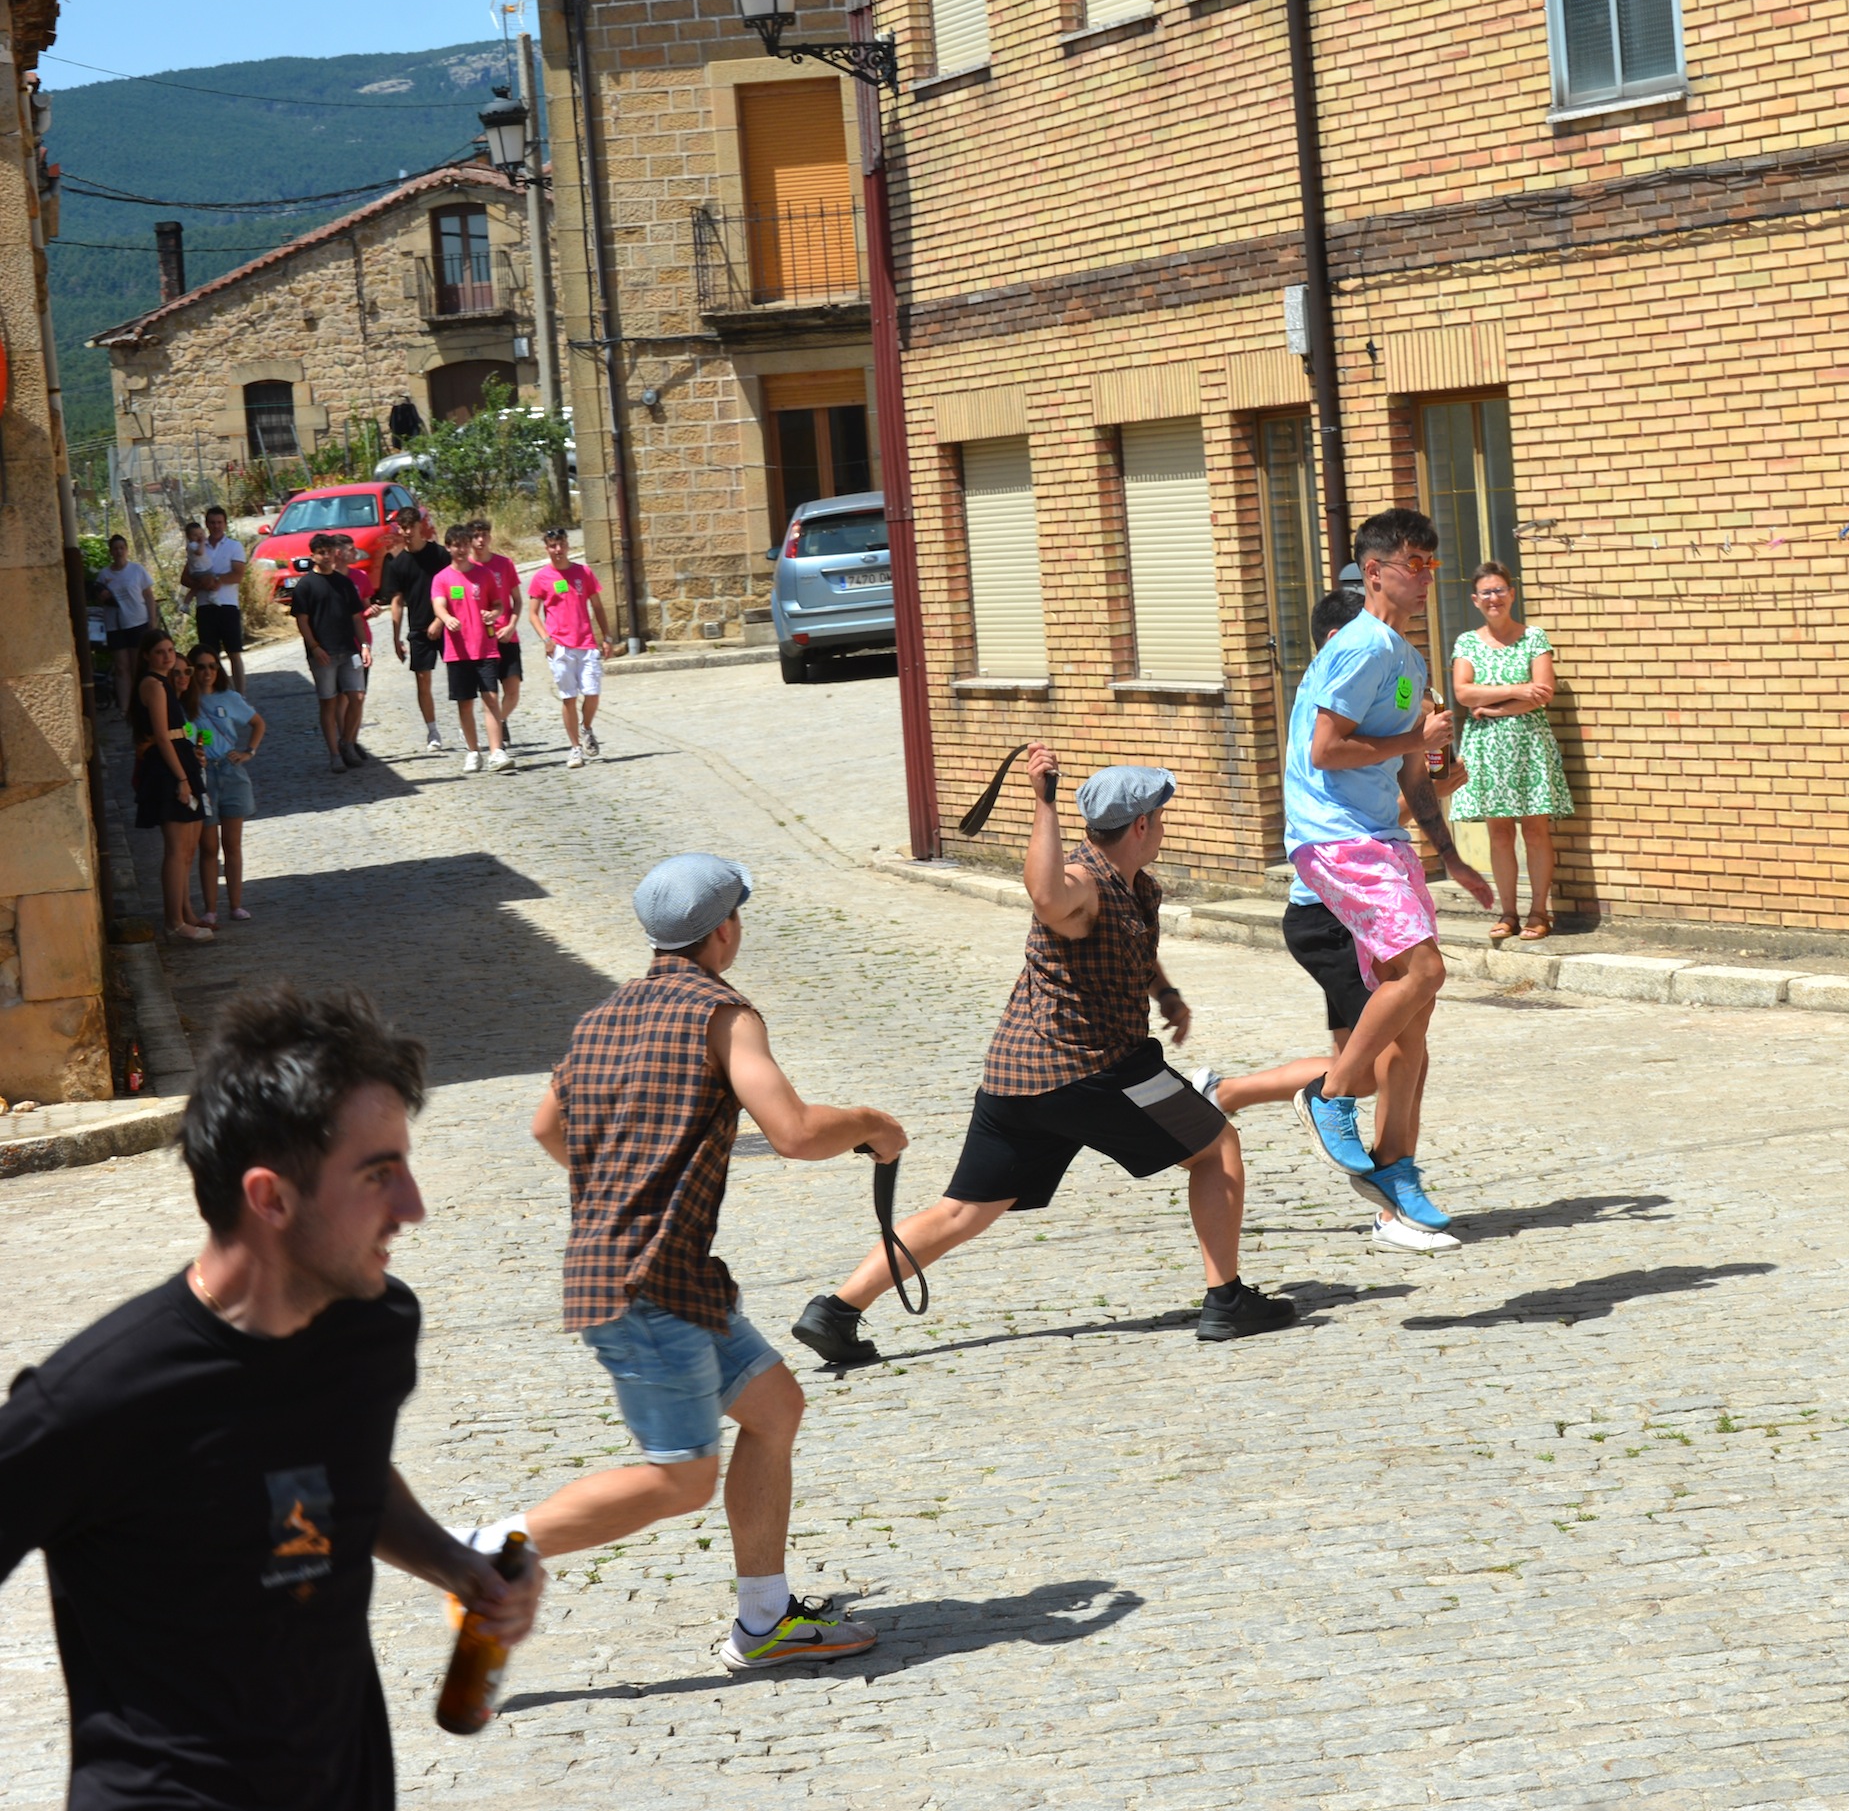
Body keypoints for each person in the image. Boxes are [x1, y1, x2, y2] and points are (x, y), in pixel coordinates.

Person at [0, 985, 543, 1810]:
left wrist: (455, 1563)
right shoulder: (96, 1398)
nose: (414, 1207)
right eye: (378, 1174)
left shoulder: (375, 1328)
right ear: (270, 1198)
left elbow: (342, 1467)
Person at [463, 854, 900, 1670]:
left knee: (774, 1409)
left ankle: (764, 1620)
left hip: (666, 1274)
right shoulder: (723, 1014)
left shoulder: (601, 1017)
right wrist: (874, 1123)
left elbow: (545, 1128)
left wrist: (625, 1183)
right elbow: (797, 1131)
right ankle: (489, 1550)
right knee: (680, 1479)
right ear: (724, 929)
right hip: (647, 1282)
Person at [794, 757, 1300, 1368]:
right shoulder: (1080, 882)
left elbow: (1131, 943)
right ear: (1140, 825)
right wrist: (1044, 803)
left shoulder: (1136, 884)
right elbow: (1045, 893)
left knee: (962, 1210)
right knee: (1216, 1146)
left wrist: (1163, 992)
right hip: (1097, 1072)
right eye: (1160, 816)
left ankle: (836, 1311)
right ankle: (1226, 1300)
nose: (1164, 825)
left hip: (1018, 1080)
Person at [1193, 588, 1478, 1256]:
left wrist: (1435, 793)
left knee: (1396, 1050)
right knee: (1385, 1057)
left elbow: (1386, 814)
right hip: (1325, 914)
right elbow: (1337, 789)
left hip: (1352, 904)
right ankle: (1385, 1204)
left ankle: (1229, 1091)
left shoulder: (1387, 689)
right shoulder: (1339, 692)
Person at [1285, 507, 1504, 1238]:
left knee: (1414, 1030)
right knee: (1424, 973)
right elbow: (1325, 748)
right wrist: (1418, 734)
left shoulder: (1406, 659)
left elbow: (1413, 776)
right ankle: (1331, 1093)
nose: (1425, 576)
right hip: (1335, 837)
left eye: (1432, 563)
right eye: (1413, 562)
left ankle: (1395, 1173)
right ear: (1374, 570)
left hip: (1383, 839)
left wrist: (1449, 856)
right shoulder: (1362, 647)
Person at [1449, 562, 1574, 942]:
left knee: (1535, 830)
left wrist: (1496, 706)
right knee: (1499, 833)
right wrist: (1518, 691)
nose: (1494, 598)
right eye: (1486, 592)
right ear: (1475, 599)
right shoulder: (1467, 643)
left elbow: (1544, 692)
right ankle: (1508, 913)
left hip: (1529, 745)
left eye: (1500, 590)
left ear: (1512, 594)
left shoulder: (1535, 638)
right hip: (1487, 749)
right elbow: (1463, 692)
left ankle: (1539, 912)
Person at [131, 629, 214, 943]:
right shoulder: (152, 685)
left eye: (170, 650)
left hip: (181, 761)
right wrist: (181, 778)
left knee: (186, 848)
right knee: (176, 850)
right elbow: (162, 736)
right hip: (168, 770)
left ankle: (185, 915)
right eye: (160, 652)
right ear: (147, 656)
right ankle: (175, 922)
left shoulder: (164, 684)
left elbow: (178, 732)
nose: (167, 656)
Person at [431, 523, 517, 773]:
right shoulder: (442, 578)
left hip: (485, 647)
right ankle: (472, 751)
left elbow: (499, 604)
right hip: (457, 651)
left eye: (464, 544)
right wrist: (446, 618)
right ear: (448, 547)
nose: (461, 549)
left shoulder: (484, 574)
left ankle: (496, 751)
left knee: (490, 698)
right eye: (456, 545)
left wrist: (494, 613)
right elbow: (439, 604)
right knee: (465, 703)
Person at [190, 646, 264, 926]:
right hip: (204, 777)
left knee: (232, 844)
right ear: (192, 670)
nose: (207, 672)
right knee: (208, 848)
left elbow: (258, 724)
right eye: (201, 666)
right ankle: (210, 909)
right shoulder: (186, 701)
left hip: (231, 773)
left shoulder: (230, 698)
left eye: (212, 666)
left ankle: (236, 904)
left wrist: (249, 752)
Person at [286, 535, 371, 774]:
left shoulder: (344, 583)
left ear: (335, 553)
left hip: (349, 649)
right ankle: (334, 754)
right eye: (321, 552)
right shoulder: (306, 585)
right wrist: (314, 647)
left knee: (357, 697)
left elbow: (357, 617)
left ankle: (348, 743)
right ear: (313, 555)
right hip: (322, 654)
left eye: (329, 551)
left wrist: (364, 645)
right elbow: (302, 621)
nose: (326, 556)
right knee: (328, 703)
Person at [375, 504, 455, 753]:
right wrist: (395, 638)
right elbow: (397, 601)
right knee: (423, 681)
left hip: (448, 624)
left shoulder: (440, 555)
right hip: (419, 628)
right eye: (403, 527)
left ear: (420, 527)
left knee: (460, 677)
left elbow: (454, 589)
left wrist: (441, 620)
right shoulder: (398, 564)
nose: (407, 532)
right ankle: (432, 730)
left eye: (411, 527)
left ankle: (467, 725)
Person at [531, 524, 611, 767]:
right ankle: (575, 747)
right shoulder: (541, 578)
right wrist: (546, 639)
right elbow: (533, 614)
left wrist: (606, 637)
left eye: (561, 545)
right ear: (547, 548)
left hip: (586, 643)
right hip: (560, 647)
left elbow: (597, 606)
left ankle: (586, 728)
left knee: (592, 693)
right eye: (553, 546)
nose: (558, 550)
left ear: (568, 545)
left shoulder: (583, 573)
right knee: (568, 698)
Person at [465, 518, 528, 733]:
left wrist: (511, 625)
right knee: (487, 692)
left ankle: (499, 721)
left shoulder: (504, 564)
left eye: (484, 535)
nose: (480, 540)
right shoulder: (465, 568)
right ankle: (492, 731)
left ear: (490, 537)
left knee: (513, 689)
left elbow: (518, 601)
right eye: (475, 536)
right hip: (481, 641)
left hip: (507, 635)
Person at [185, 505, 250, 690]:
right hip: (205, 606)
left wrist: (217, 580)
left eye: (219, 522)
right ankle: (220, 691)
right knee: (210, 655)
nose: (216, 526)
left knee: (234, 653)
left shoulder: (234, 546)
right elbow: (185, 577)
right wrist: (201, 583)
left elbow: (238, 575)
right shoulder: (197, 546)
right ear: (206, 524)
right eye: (212, 523)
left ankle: (241, 695)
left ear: (225, 523)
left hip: (228, 605)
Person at [96, 533, 156, 713]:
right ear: (111, 552)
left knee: (138, 665)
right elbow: (98, 598)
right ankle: (124, 708)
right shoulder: (104, 575)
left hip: (137, 621)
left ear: (127, 550)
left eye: (122, 548)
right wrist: (102, 596)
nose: (119, 551)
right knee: (122, 667)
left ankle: (142, 704)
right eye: (115, 549)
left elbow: (148, 596)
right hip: (115, 625)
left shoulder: (137, 570)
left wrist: (152, 621)